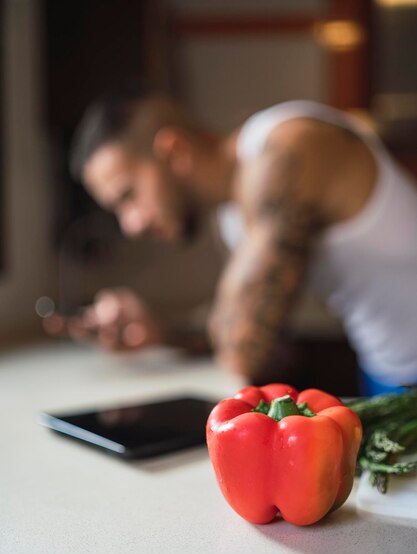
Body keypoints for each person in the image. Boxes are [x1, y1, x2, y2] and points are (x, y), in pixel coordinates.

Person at [57, 92, 417, 394]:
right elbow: (258, 334)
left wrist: (231, 331)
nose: (131, 224)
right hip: (384, 373)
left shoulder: (289, 147)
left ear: (174, 151)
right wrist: (156, 330)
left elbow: (243, 350)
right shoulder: (232, 219)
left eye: (128, 196)